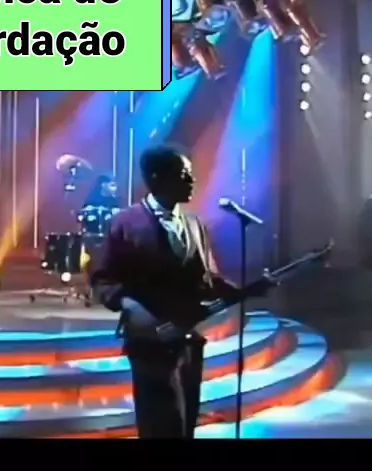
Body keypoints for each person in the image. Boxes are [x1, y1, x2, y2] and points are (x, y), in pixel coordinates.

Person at [91, 145, 271, 439]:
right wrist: (133, 308)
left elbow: (208, 278)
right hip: (149, 343)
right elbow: (104, 280)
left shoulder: (195, 223)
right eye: (183, 174)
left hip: (188, 343)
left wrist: (246, 289)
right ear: (156, 178)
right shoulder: (125, 222)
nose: (192, 180)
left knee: (186, 423)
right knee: (161, 425)